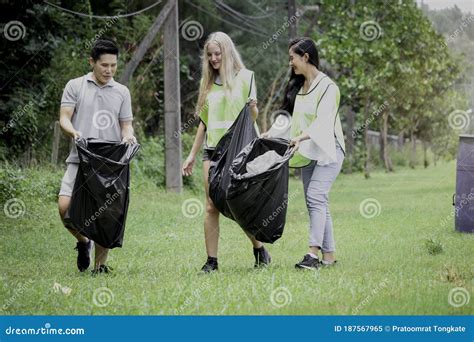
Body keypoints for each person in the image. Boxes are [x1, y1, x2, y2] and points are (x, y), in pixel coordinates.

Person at [182, 32, 271, 273]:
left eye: (217, 53)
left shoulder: (246, 78)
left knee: (239, 203)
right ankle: (211, 261)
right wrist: (191, 154)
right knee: (211, 205)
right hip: (212, 152)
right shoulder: (207, 84)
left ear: (228, 52)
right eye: (209, 55)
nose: (213, 58)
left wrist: (253, 109)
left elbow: (252, 117)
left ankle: (259, 249)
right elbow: (204, 122)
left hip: (240, 150)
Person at [57, 38, 137, 275]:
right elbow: (64, 118)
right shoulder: (75, 86)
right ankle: (84, 241)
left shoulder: (122, 91)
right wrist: (73, 132)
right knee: (64, 208)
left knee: (107, 215)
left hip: (111, 162)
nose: (109, 70)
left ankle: (100, 267)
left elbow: (126, 125)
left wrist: (129, 137)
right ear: (92, 62)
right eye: (104, 65)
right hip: (80, 158)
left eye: (114, 65)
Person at [278, 37, 345, 269]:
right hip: (308, 151)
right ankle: (329, 257)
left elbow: (324, 122)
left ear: (305, 57)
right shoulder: (298, 87)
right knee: (316, 202)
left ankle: (312, 255)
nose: (291, 63)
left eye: (292, 58)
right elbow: (286, 118)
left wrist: (300, 137)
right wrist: (268, 134)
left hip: (329, 149)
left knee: (316, 197)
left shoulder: (329, 87)